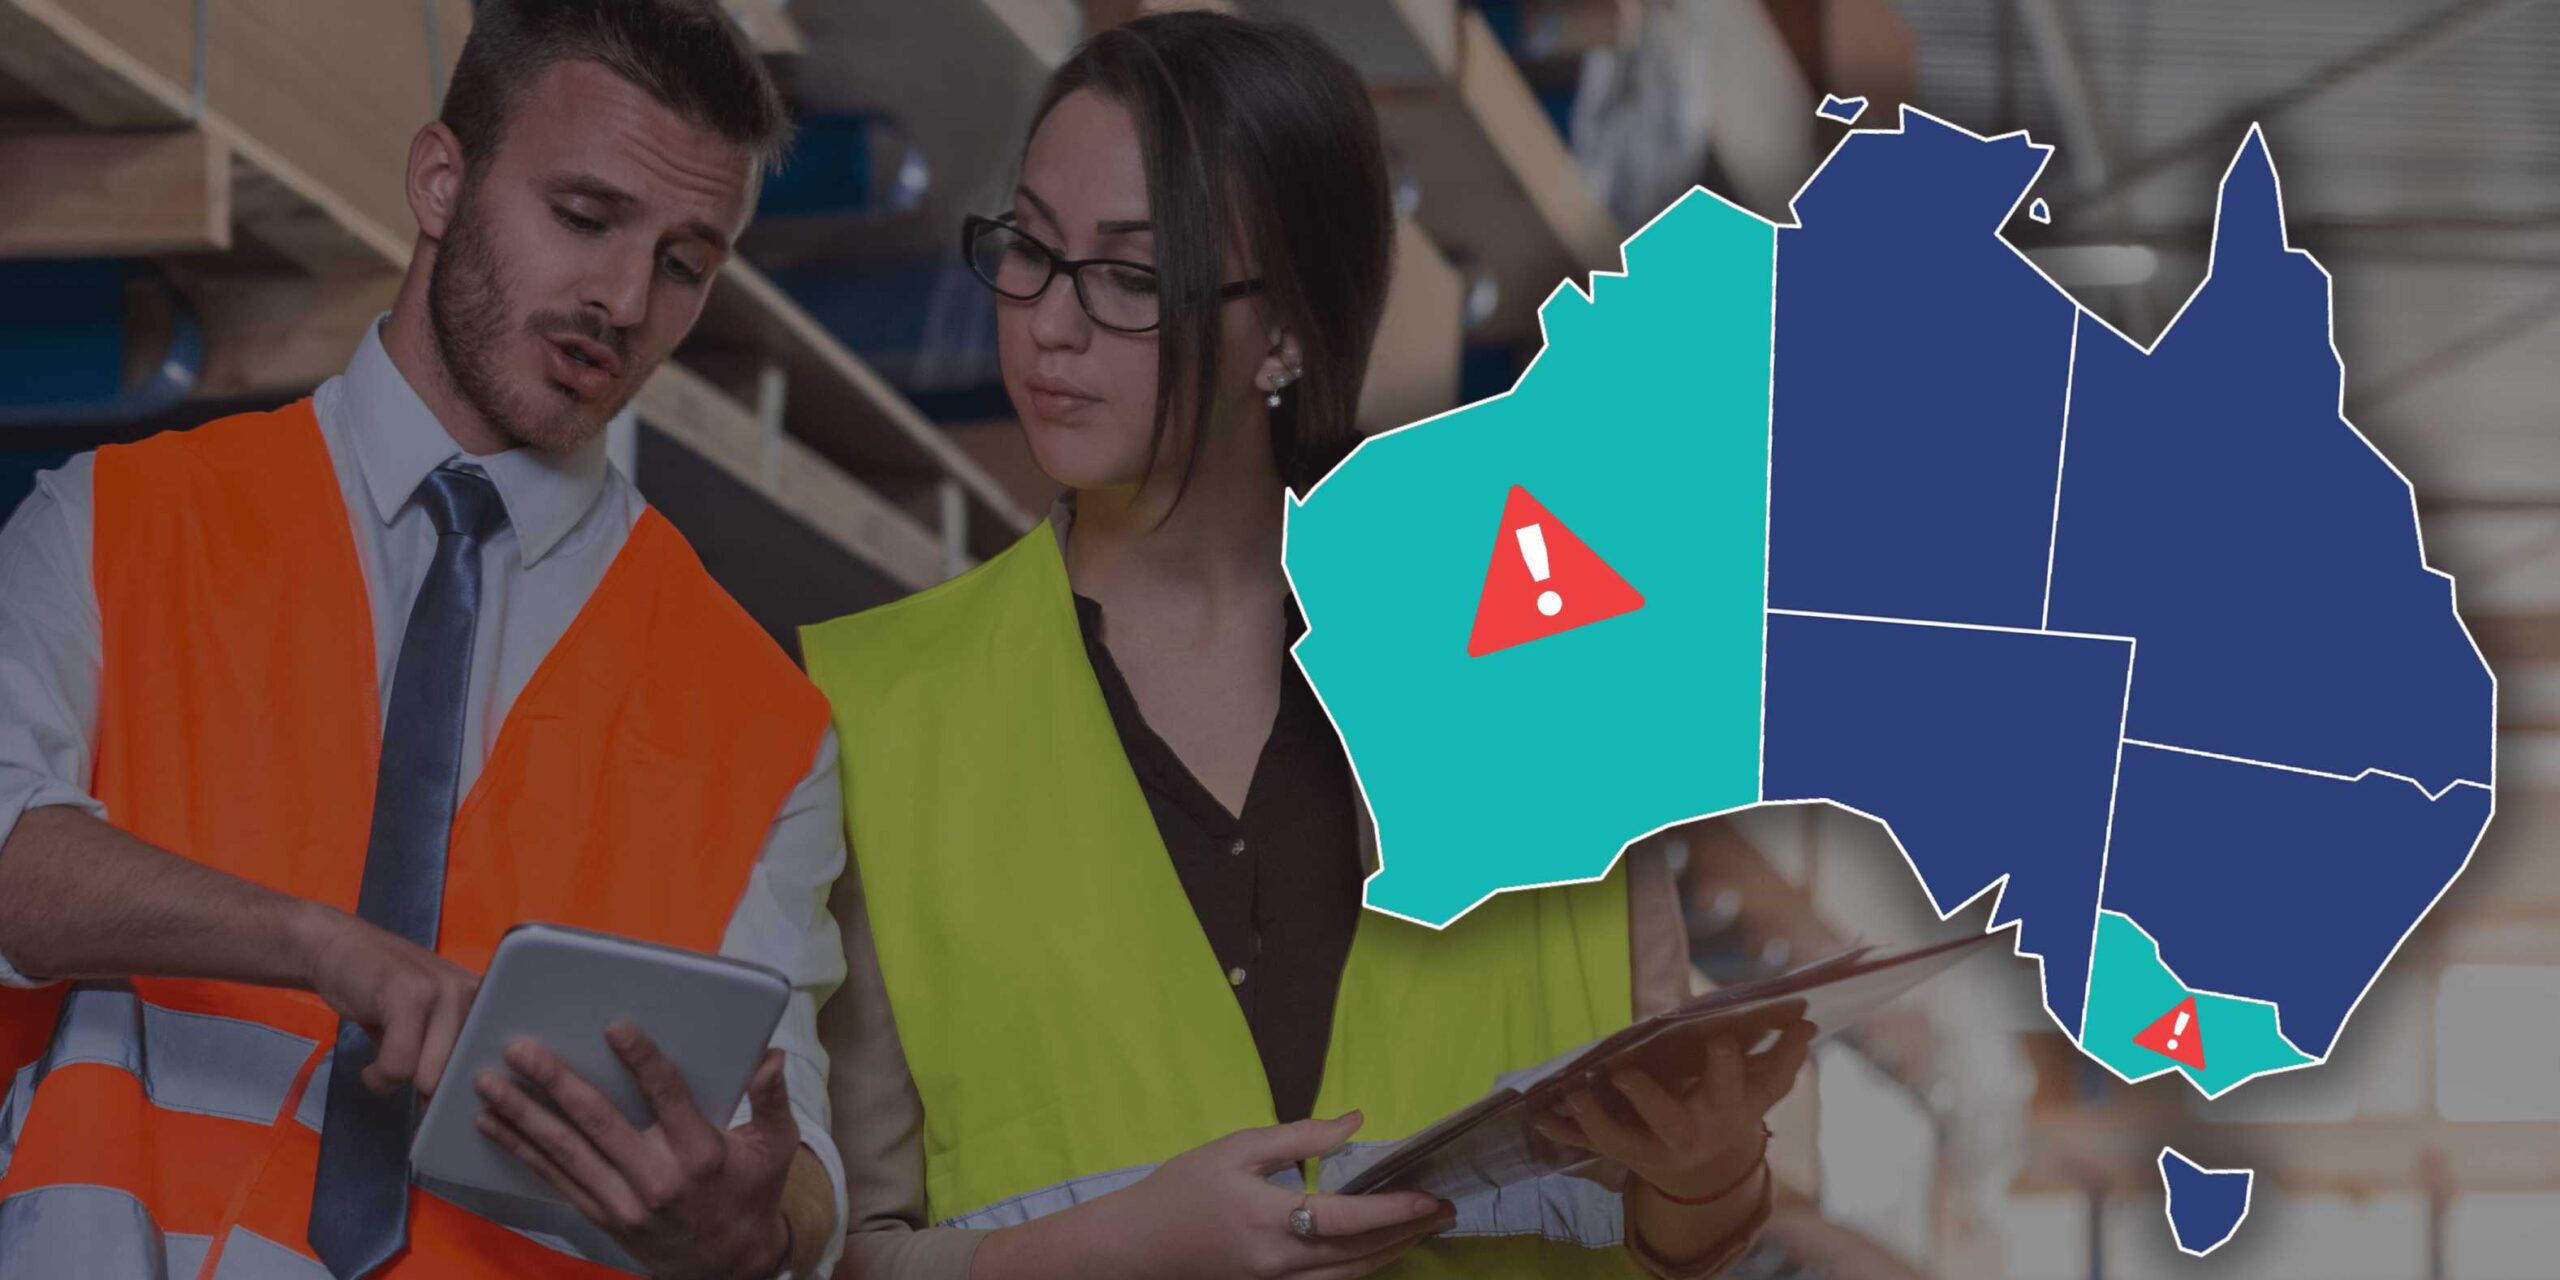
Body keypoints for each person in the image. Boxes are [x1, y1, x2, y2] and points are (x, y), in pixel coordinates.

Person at [806, 13, 1811, 1279]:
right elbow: (841, 1246)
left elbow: (1659, 1216)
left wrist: (1713, 1175)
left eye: (1130, 276)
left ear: (1284, 333)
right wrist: (1117, 1247)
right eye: (1027, 249)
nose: (1047, 324)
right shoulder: (877, 708)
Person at [0, 2, 849, 1275]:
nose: (623, 298)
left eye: (683, 262)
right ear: (439, 179)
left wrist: (762, 1227)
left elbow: (794, 1143)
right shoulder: (112, 523)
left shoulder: (764, 720)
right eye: (584, 217)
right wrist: (314, 943)